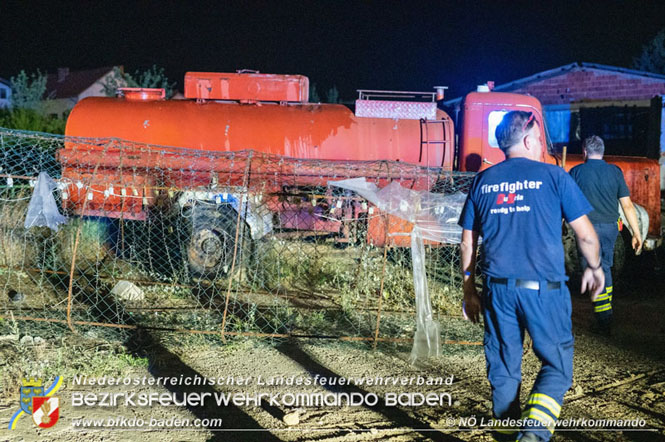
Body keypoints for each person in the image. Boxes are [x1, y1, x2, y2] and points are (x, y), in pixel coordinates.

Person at [458, 111, 605, 442]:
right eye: (539, 139)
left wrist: (469, 290)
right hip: (544, 293)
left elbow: (468, 242)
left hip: (497, 292)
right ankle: (534, 435)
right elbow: (585, 235)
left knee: (504, 369)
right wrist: (594, 268)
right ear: (527, 141)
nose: (540, 145)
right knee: (556, 367)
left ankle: (507, 435)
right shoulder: (554, 177)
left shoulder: (483, 180)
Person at [569, 135, 643, 335]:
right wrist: (637, 234)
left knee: (594, 271)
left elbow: (566, 202)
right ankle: (605, 312)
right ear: (602, 152)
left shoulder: (576, 172)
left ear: (584, 151)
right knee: (605, 268)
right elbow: (627, 205)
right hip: (610, 228)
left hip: (586, 230)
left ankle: (604, 319)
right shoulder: (615, 171)